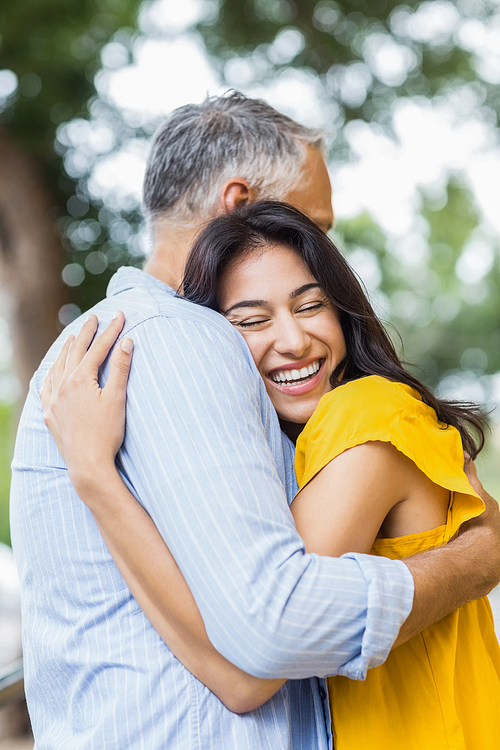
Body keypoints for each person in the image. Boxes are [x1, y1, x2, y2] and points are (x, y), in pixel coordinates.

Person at [10, 92, 500, 749]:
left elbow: (251, 656)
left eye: (310, 303)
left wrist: (98, 478)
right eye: (315, 224)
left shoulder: (135, 347)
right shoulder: (175, 339)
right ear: (243, 209)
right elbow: (272, 636)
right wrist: (473, 562)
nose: (320, 248)